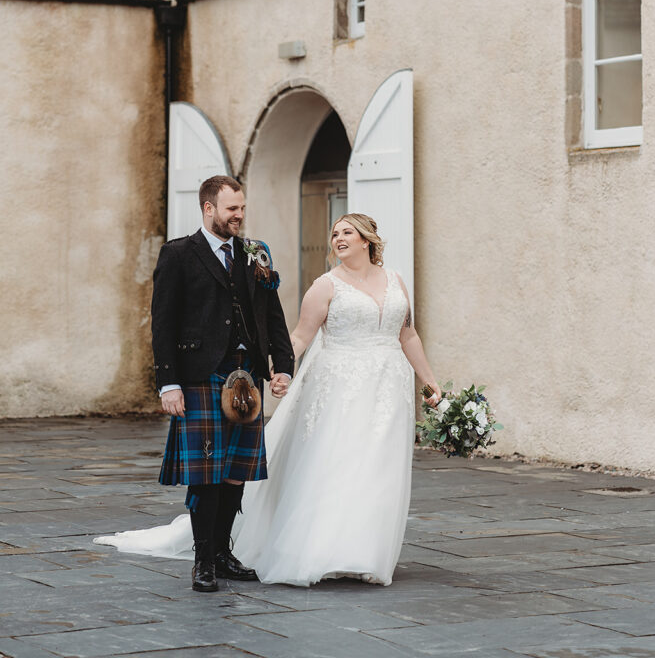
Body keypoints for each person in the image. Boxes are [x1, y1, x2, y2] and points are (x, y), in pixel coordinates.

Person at [96, 213, 441, 588]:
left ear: (367, 240)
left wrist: (430, 385)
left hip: (389, 389)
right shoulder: (326, 286)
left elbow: (408, 335)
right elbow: (298, 337)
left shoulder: (396, 282)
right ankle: (326, 551)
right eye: (334, 233)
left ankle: (367, 552)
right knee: (339, 465)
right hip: (339, 387)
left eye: (347, 232)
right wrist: (283, 371)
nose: (339, 238)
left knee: (379, 470)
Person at [94, 175, 295, 594]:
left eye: (241, 207)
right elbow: (162, 323)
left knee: (237, 471)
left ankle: (222, 553)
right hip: (201, 376)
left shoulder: (255, 252)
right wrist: (168, 383)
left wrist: (283, 365)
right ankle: (203, 560)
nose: (239, 215)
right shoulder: (179, 254)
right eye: (231, 209)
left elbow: (270, 312)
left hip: (247, 377)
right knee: (206, 470)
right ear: (208, 209)